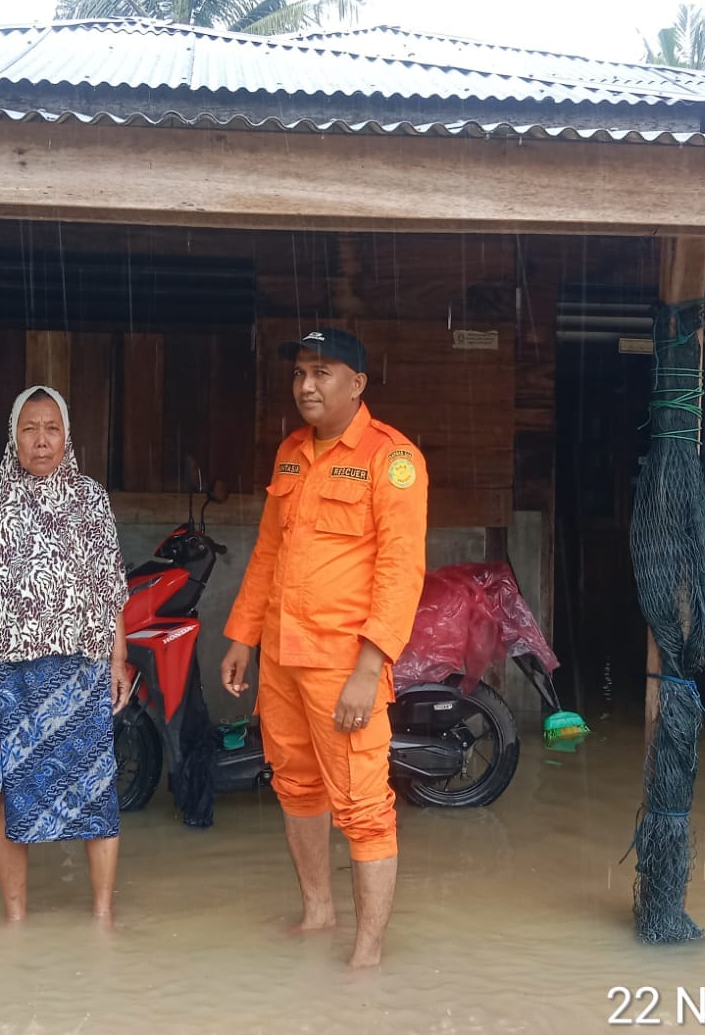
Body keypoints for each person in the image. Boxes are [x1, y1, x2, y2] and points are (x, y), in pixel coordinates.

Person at [220, 328, 429, 968]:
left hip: (343, 664)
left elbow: (400, 571)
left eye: (322, 372)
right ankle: (318, 913)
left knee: (364, 806)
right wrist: (243, 636)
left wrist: (370, 668)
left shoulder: (392, 459)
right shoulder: (291, 454)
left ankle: (367, 954)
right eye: (299, 373)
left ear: (357, 384)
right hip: (282, 657)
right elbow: (268, 552)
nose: (306, 386)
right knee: (295, 785)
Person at [0, 385, 130, 923]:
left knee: (95, 791)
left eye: (52, 428)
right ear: (13, 436)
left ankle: (103, 917)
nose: (41, 440)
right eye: (30, 429)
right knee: (8, 792)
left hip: (81, 671)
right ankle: (15, 918)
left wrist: (118, 660)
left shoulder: (90, 499)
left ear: (67, 436)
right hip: (9, 676)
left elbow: (111, 587)